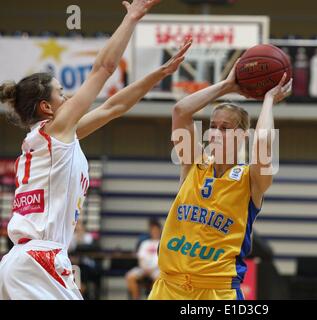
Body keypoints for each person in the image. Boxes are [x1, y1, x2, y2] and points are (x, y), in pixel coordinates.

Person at [0, 0, 191, 300]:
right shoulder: (57, 130)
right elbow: (104, 68)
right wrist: (132, 18)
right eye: (61, 93)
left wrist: (161, 73)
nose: (69, 97)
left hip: (20, 262)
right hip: (40, 259)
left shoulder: (55, 139)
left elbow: (114, 106)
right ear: (47, 108)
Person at [148, 61, 292, 300]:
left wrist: (268, 100)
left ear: (242, 136)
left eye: (225, 128)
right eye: (213, 126)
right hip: (169, 286)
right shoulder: (194, 162)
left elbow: (264, 141)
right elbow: (180, 111)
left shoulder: (250, 179)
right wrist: (226, 86)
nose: (215, 133)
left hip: (218, 290)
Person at [126, 219, 162, 299]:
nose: (155, 232)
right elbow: (140, 258)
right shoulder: (145, 243)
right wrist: (145, 268)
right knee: (130, 277)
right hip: (143, 268)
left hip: (157, 269)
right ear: (150, 231)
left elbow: (162, 260)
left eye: (156, 230)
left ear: (160, 231)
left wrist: (152, 269)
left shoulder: (162, 243)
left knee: (159, 279)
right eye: (153, 230)